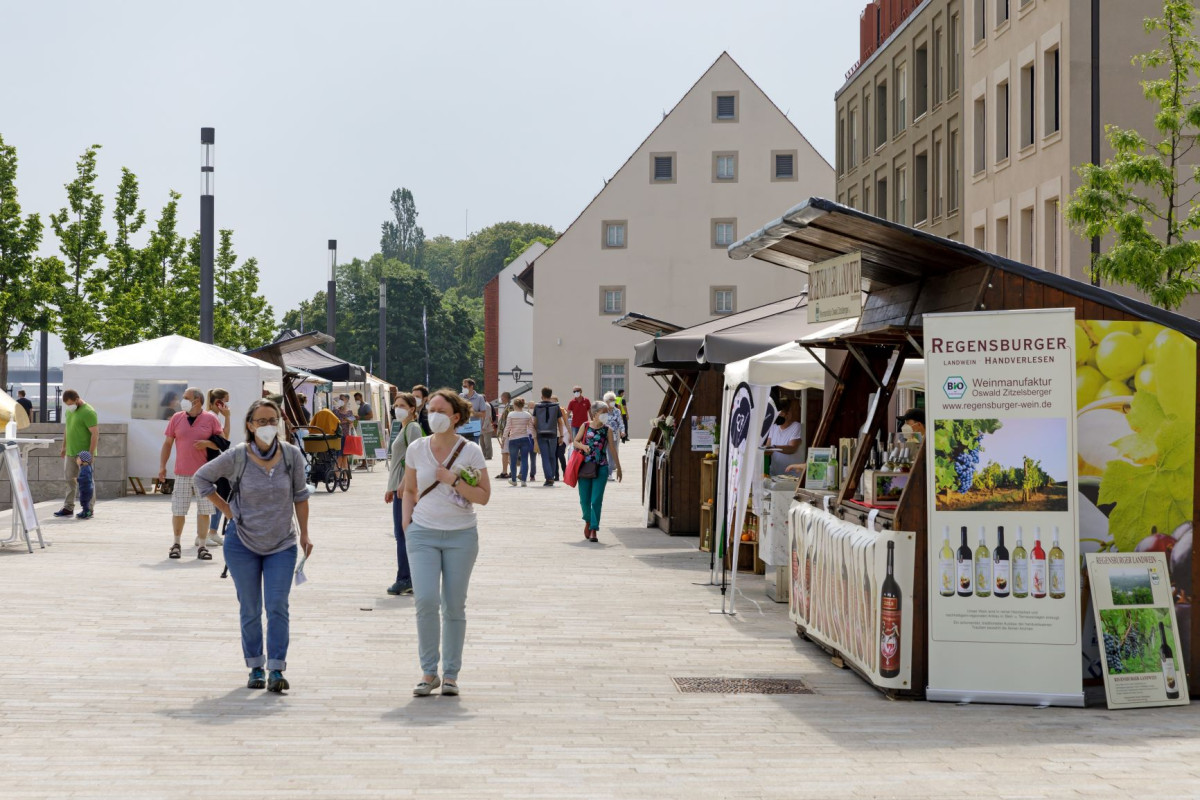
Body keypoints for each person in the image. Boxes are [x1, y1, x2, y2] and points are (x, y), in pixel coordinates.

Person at [196, 399, 312, 694]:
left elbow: (300, 496)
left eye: (272, 419)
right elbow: (202, 478)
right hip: (242, 544)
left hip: (281, 544)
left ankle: (276, 668)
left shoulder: (292, 456)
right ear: (250, 425)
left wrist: (305, 535)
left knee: (277, 606)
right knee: (250, 608)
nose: (268, 425)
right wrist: (227, 510)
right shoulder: (237, 456)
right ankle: (255, 666)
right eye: (261, 421)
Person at [401, 388, 491, 697]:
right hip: (422, 533)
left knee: (454, 605)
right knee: (426, 600)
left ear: (455, 417)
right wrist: (407, 525)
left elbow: (484, 497)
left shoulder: (471, 451)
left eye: (440, 410)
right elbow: (409, 490)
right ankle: (429, 672)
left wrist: (452, 479)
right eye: (430, 409)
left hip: (461, 535)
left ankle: (450, 674)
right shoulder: (416, 448)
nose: (433, 414)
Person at [157, 387, 225, 560]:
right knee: (178, 510)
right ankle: (176, 543)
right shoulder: (176, 418)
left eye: (186, 397)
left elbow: (222, 442)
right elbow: (167, 443)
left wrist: (206, 444)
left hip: (205, 475)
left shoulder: (211, 419)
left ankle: (202, 545)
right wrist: (162, 466)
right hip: (182, 472)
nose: (183, 400)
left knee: (204, 510)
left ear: (197, 400)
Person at [384, 392, 424, 596]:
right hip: (400, 486)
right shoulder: (404, 427)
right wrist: (392, 486)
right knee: (403, 533)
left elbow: (417, 457)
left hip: (407, 488)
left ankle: (406, 577)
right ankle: (410, 577)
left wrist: (403, 482)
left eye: (401, 405)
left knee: (403, 534)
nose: (396, 408)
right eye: (395, 404)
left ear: (412, 408)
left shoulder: (413, 427)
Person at [572, 401, 622, 542]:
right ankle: (588, 520)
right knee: (584, 500)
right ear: (595, 414)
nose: (606, 415)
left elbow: (612, 449)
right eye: (603, 413)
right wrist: (583, 446)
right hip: (584, 467)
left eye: (607, 413)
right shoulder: (585, 426)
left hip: (601, 467)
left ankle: (594, 528)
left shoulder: (608, 429)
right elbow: (575, 441)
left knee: (596, 500)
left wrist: (618, 467)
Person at [54, 389, 99, 520]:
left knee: (87, 482)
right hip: (70, 451)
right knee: (69, 480)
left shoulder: (88, 412)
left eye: (71, 403)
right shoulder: (70, 411)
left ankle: (88, 509)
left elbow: (95, 434)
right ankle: (68, 507)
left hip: (84, 454)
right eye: (67, 404)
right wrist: (63, 447)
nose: (69, 406)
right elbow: (67, 429)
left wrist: (90, 454)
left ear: (77, 400)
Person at [197, 388, 233, 547]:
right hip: (211, 460)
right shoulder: (212, 417)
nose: (227, 405)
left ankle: (212, 531)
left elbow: (224, 438)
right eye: (225, 401)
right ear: (218, 402)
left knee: (219, 496)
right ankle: (209, 532)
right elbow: (225, 439)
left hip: (213, 459)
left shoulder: (213, 416)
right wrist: (228, 417)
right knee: (217, 497)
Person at [533, 387, 563, 486]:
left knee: (545, 457)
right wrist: (561, 435)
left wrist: (535, 435)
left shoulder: (537, 406)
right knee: (552, 456)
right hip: (553, 434)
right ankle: (552, 476)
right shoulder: (556, 406)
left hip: (541, 434)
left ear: (542, 395)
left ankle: (549, 478)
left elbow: (535, 422)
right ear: (550, 395)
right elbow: (560, 422)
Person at [502, 397, 535, 487]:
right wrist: (535, 438)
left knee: (513, 460)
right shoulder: (527, 415)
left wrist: (504, 438)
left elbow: (508, 427)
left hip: (513, 439)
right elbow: (531, 428)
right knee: (524, 460)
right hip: (525, 438)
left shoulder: (511, 414)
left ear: (515, 405)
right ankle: (523, 480)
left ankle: (514, 480)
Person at [768, 399, 805, 476]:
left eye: (780, 415)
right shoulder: (773, 427)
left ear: (788, 414)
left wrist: (774, 447)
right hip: (774, 474)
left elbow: (792, 448)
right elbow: (768, 448)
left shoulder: (797, 426)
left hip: (792, 476)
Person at [461, 378, 490, 457]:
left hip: (474, 428)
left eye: (465, 386)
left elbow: (483, 414)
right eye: (462, 386)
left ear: (471, 387)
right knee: (462, 450)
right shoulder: (460, 396)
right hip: (462, 428)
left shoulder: (480, 398)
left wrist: (472, 413)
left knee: (473, 449)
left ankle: (473, 467)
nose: (463, 388)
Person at [333, 393, 355, 471]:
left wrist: (346, 421)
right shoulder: (335, 411)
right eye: (339, 399)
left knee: (345, 457)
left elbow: (352, 424)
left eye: (342, 399)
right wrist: (345, 421)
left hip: (346, 436)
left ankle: (345, 477)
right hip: (338, 436)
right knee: (339, 457)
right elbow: (334, 422)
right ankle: (338, 477)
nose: (340, 401)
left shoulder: (350, 412)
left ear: (347, 400)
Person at [494, 391, 512, 479]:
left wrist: (504, 434)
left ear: (505, 397)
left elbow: (508, 421)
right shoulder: (507, 406)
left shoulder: (509, 407)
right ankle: (510, 471)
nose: (501, 399)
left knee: (505, 453)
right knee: (507, 453)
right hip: (507, 433)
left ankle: (505, 472)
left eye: (502, 397)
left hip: (508, 434)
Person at [552, 395, 569, 478]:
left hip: (563, 434)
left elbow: (566, 423)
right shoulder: (549, 411)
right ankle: (556, 475)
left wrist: (571, 436)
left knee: (560, 454)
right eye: (551, 401)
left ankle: (565, 472)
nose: (553, 403)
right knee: (554, 455)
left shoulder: (562, 410)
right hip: (554, 435)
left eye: (554, 401)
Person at [74, 450, 94, 520]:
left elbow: (86, 478)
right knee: (85, 502)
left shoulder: (86, 468)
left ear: (83, 460)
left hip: (86, 489)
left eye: (78, 458)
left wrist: (78, 479)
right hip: (86, 488)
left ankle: (86, 513)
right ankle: (85, 512)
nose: (77, 460)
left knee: (84, 501)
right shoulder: (86, 467)